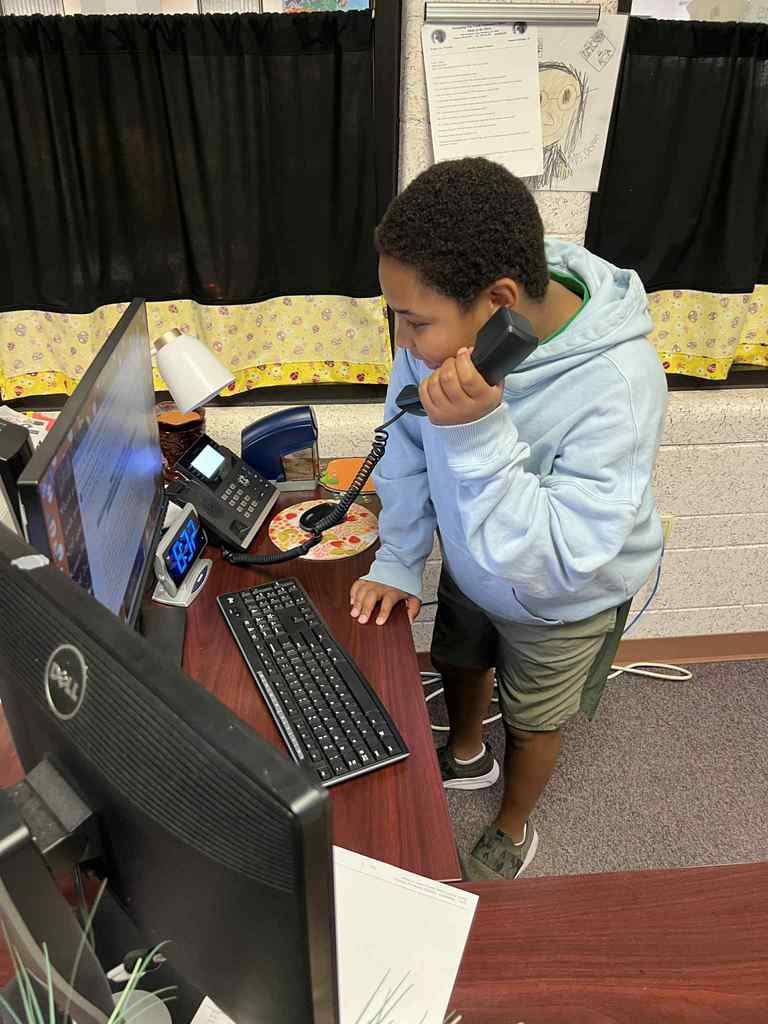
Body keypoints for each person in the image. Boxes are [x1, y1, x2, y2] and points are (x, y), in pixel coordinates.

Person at [349, 157, 668, 881]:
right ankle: (464, 753)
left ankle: (512, 824)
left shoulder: (618, 385)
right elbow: (403, 443)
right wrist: (399, 556)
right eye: (395, 315)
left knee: (532, 720)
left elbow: (560, 552)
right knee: (459, 659)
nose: (403, 342)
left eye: (415, 321)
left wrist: (475, 432)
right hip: (472, 564)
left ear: (497, 300)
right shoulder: (434, 344)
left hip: (560, 600)